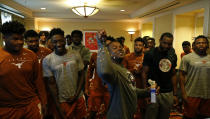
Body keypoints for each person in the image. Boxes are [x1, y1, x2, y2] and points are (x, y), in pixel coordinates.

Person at [96, 30, 155, 119]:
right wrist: (101, 44)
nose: (120, 48)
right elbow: (104, 71)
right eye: (115, 48)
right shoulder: (113, 69)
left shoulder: (123, 69)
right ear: (109, 54)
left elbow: (131, 90)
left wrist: (148, 91)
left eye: (120, 46)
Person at [0, 21, 47, 119]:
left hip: (31, 105)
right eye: (15, 39)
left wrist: (44, 102)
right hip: (7, 109)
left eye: (21, 39)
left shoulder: (31, 55)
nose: (20, 42)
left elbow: (38, 81)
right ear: (4, 38)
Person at [42, 28, 87, 119]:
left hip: (78, 97)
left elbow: (82, 75)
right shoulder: (47, 60)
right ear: (51, 42)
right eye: (55, 42)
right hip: (62, 101)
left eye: (61, 41)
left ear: (65, 40)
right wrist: (58, 106)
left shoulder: (75, 54)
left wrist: (76, 94)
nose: (59, 44)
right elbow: (51, 85)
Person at [142, 32, 178, 119]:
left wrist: (175, 94)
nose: (166, 46)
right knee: (151, 115)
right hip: (153, 91)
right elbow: (144, 73)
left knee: (164, 116)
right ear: (160, 41)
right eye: (164, 43)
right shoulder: (150, 53)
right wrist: (145, 92)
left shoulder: (172, 55)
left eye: (169, 44)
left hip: (168, 92)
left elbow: (173, 74)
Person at [179, 35, 210, 119]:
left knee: (205, 117)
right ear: (194, 45)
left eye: (204, 43)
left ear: (207, 45)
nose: (201, 45)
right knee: (189, 117)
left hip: (207, 95)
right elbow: (181, 76)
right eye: (198, 43)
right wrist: (183, 93)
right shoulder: (186, 58)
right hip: (191, 94)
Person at [85, 36, 114, 119]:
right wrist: (87, 87)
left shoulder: (115, 57)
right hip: (97, 88)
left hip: (110, 89)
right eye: (104, 45)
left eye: (109, 45)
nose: (106, 47)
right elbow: (89, 72)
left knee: (108, 111)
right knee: (92, 111)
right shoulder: (95, 56)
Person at [122, 37, 145, 119]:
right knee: (130, 108)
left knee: (143, 108)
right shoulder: (127, 57)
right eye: (136, 45)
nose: (137, 47)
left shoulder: (146, 57)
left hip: (143, 86)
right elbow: (123, 72)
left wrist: (141, 71)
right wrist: (133, 70)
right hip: (130, 87)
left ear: (143, 46)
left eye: (140, 45)